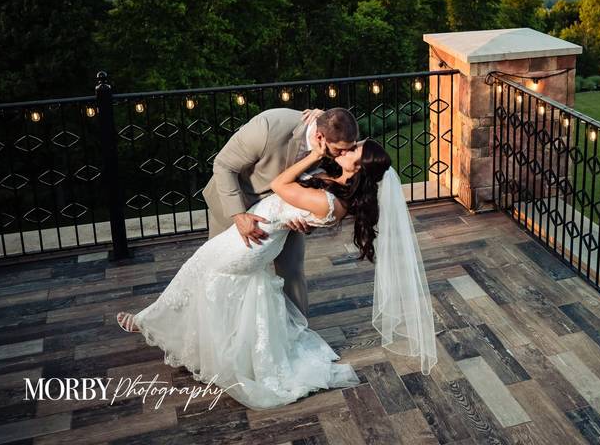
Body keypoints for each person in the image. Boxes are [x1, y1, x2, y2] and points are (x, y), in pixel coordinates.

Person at [115, 139, 437, 410]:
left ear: (359, 166)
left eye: (353, 150)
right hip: (262, 236)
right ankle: (183, 333)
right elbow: (300, 207)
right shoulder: (337, 188)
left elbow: (279, 185)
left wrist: (313, 155)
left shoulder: (331, 201)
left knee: (198, 274)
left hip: (251, 242)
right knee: (217, 285)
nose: (347, 149)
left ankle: (148, 321)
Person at [201, 107, 359, 318]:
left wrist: (308, 219)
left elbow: (317, 175)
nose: (343, 154)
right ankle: (219, 326)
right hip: (237, 203)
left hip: (283, 210)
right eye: (339, 150)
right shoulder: (267, 127)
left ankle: (300, 331)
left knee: (292, 271)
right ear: (319, 136)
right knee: (222, 271)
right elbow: (223, 166)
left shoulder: (332, 136)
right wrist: (239, 216)